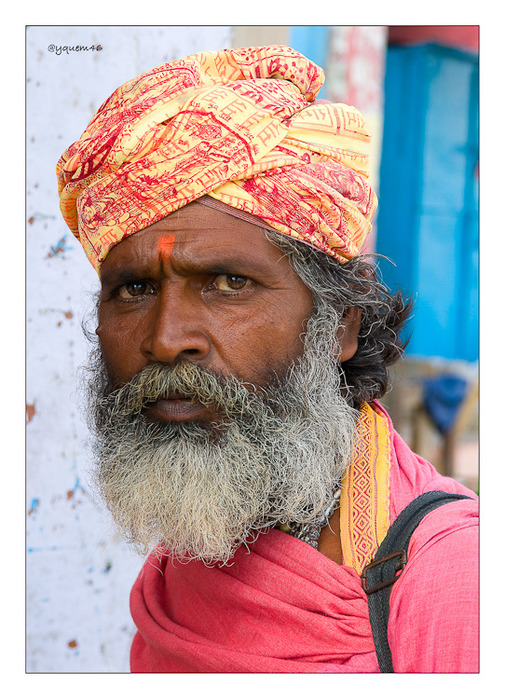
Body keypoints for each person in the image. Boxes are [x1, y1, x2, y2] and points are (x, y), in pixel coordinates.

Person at [56, 45, 478, 673]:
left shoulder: (456, 584)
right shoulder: (193, 544)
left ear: (338, 328)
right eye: (135, 289)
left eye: (228, 284)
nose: (167, 339)